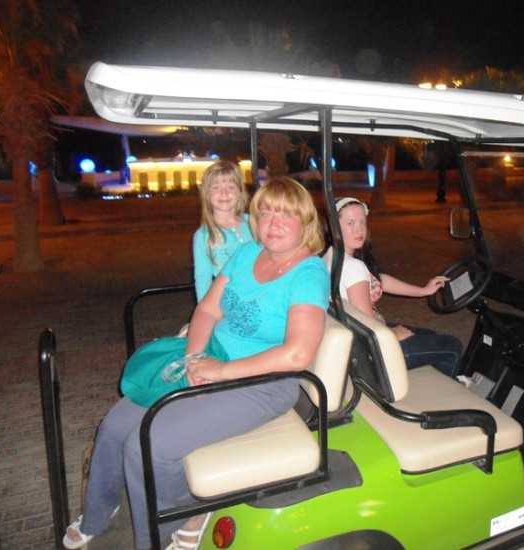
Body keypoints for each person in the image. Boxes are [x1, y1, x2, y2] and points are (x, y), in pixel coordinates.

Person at [64, 177, 330, 550]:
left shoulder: (308, 273)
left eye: (286, 215)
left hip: (262, 382)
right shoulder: (249, 252)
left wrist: (219, 372)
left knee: (146, 444)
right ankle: (98, 511)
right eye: (266, 213)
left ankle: (183, 516)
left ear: (306, 222)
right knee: (114, 426)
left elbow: (298, 354)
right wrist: (194, 358)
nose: (273, 223)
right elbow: (206, 309)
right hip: (212, 357)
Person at [323, 197, 463, 379]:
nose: (359, 230)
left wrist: (423, 290)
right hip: (374, 353)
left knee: (430, 335)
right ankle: (445, 390)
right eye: (351, 223)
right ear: (334, 227)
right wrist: (394, 333)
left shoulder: (330, 256)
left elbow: (377, 279)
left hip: (357, 344)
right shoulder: (353, 267)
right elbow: (368, 326)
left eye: (362, 222)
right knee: (453, 346)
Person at [193, 160, 252, 301]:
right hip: (228, 301)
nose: (224, 193)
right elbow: (203, 278)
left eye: (231, 187)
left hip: (259, 294)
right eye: (216, 187)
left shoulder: (253, 222)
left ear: (240, 191)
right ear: (207, 194)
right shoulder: (203, 235)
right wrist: (204, 310)